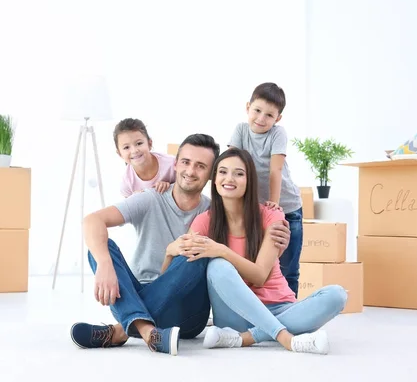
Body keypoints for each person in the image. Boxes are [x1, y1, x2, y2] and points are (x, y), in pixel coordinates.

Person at [70, 135, 292, 356]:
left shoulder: (214, 213)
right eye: (185, 162)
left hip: (187, 312)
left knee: (199, 254)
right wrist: (104, 264)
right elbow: (93, 220)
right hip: (141, 292)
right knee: (101, 247)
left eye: (201, 166)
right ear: (175, 164)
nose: (190, 171)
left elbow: (245, 248)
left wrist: (276, 242)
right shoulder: (150, 199)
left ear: (210, 175)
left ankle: (121, 330)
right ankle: (150, 332)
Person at [168, 147, 347, 354]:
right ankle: (284, 336)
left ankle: (247, 338)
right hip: (234, 314)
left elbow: (260, 276)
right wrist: (169, 251)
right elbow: (176, 274)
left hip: (280, 307)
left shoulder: (271, 216)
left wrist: (221, 250)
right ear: (214, 179)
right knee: (217, 266)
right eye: (223, 172)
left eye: (239, 173)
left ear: (249, 180)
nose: (230, 178)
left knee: (337, 295)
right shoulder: (204, 222)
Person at [228, 82, 304, 297]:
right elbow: (233, 163)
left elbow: (275, 170)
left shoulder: (277, 134)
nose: (261, 119)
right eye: (257, 111)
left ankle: (291, 309)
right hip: (256, 209)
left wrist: (274, 203)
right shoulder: (241, 130)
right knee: (256, 263)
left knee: (289, 266)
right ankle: (261, 308)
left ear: (277, 118)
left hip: (286, 206)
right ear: (247, 107)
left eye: (269, 115)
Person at [114, 118, 175, 197]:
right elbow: (129, 208)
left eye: (139, 143)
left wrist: (171, 187)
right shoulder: (126, 182)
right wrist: (133, 200)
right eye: (126, 147)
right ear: (119, 154)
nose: (134, 151)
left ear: (149, 144)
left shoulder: (171, 164)